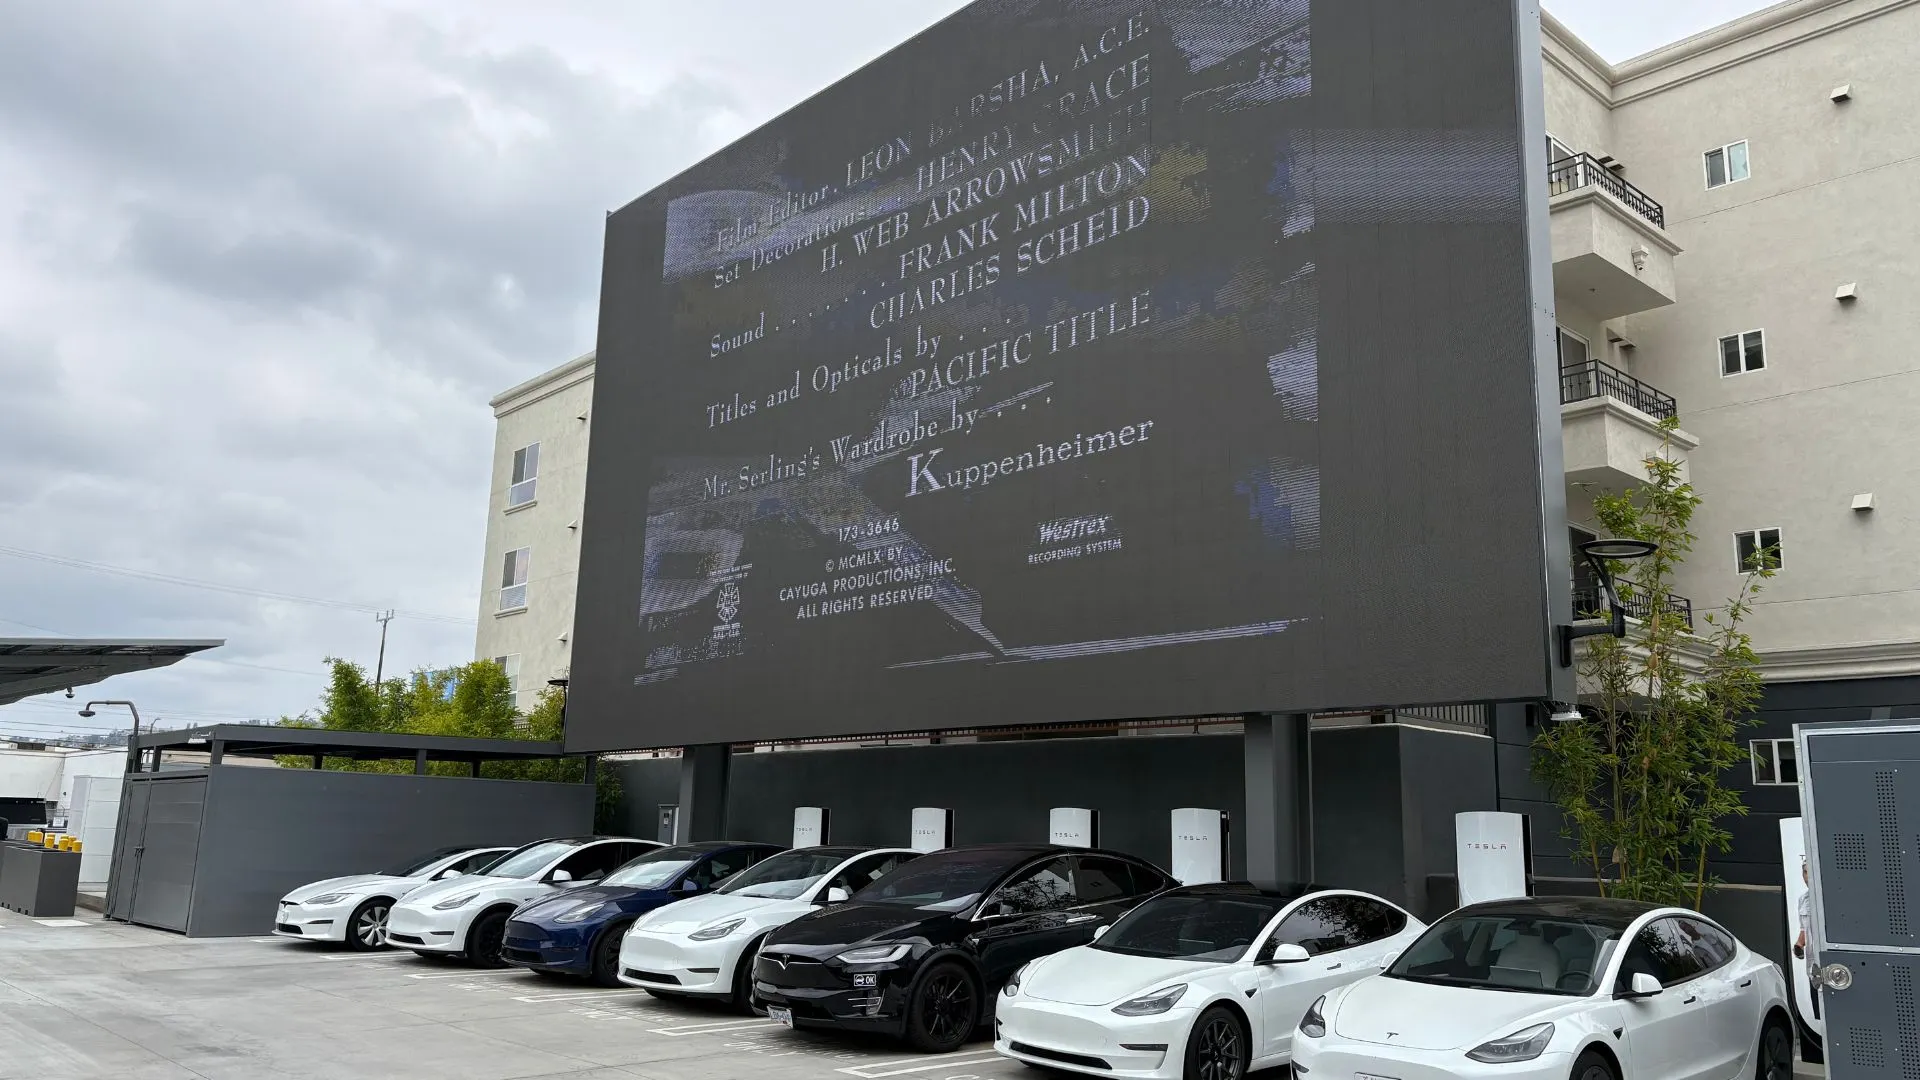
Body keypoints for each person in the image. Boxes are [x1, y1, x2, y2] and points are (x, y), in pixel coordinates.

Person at [1794, 859, 1820, 1019]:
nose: (1807, 877)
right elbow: (1804, 929)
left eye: (1810, 872)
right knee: (1819, 1014)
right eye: (1804, 872)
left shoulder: (1830, 896)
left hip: (1832, 965)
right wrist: (1799, 944)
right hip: (1813, 966)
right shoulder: (1803, 899)